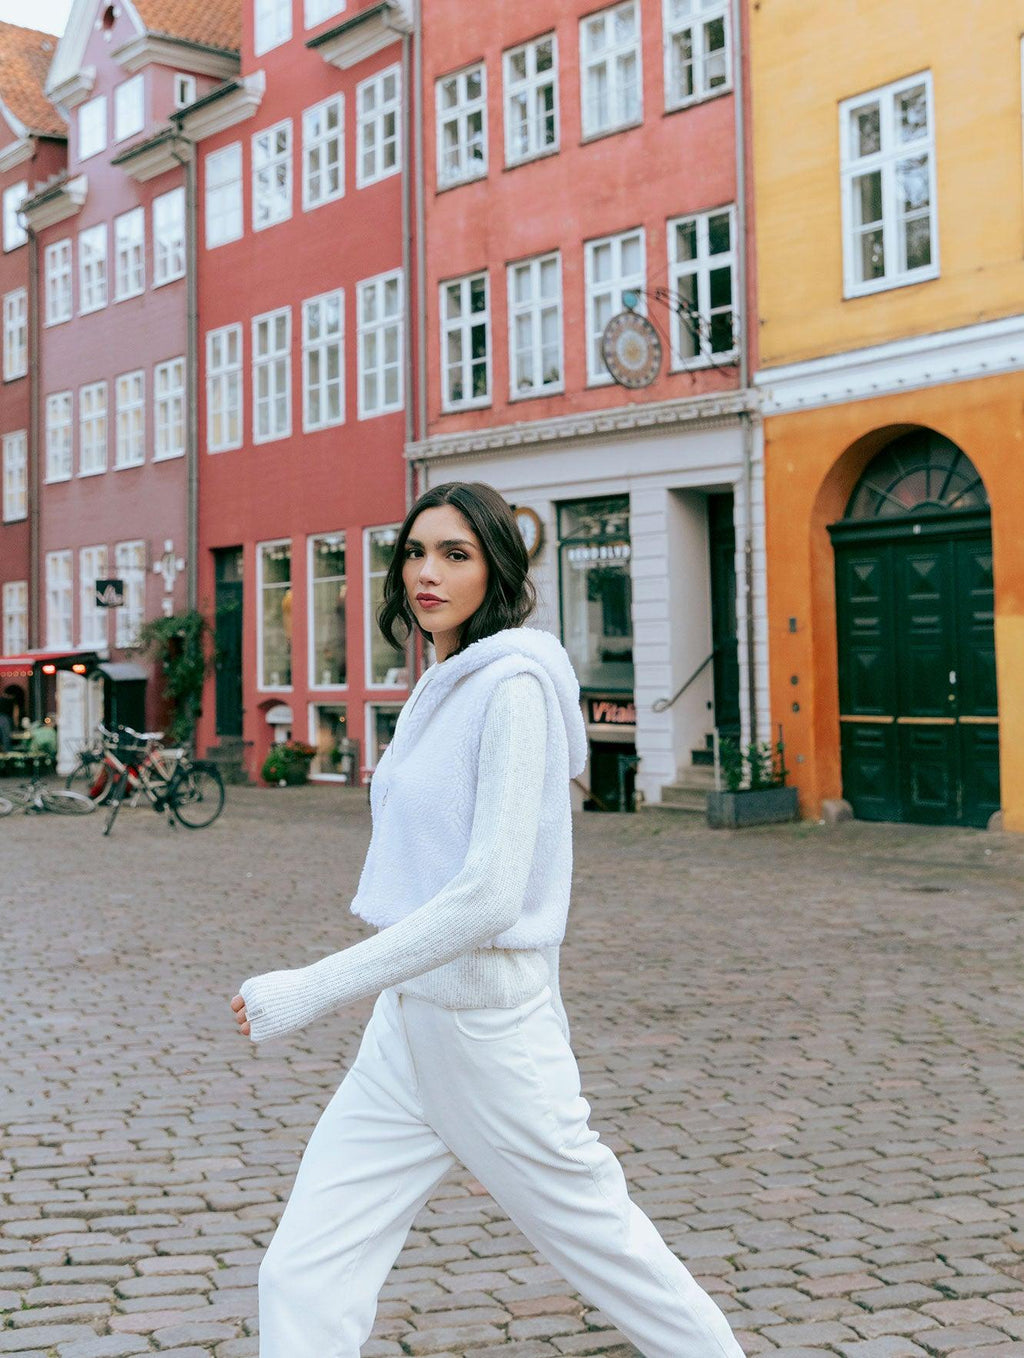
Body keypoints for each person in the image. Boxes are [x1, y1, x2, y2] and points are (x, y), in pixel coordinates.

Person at [231, 481, 746, 1358]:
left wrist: (309, 988)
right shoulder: (439, 685)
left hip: (489, 1033)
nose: (426, 573)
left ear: (496, 570)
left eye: (455, 555)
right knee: (303, 1273)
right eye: (415, 552)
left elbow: (490, 895)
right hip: (406, 1028)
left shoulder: (511, 689)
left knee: (611, 1252)